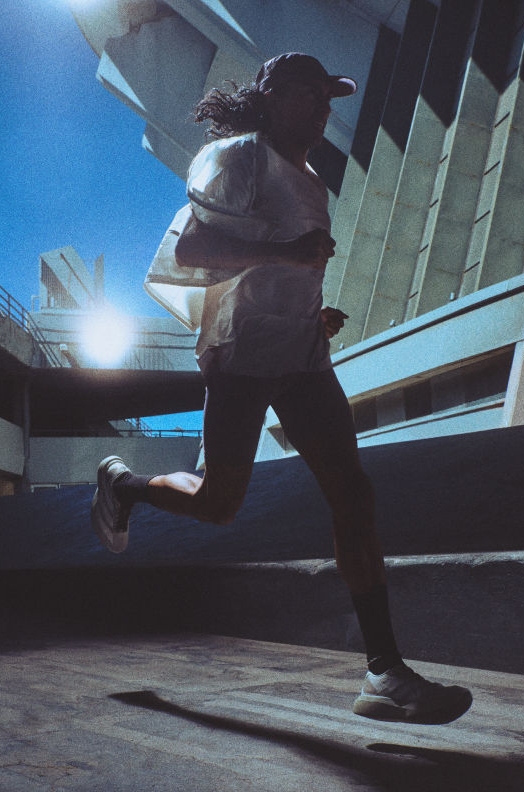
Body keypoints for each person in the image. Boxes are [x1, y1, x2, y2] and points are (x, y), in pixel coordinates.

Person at [91, 53, 472, 724]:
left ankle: (383, 671)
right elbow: (190, 252)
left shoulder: (312, 179)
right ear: (270, 97)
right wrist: (285, 255)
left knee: (354, 494)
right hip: (242, 354)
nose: (322, 108)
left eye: (327, 97)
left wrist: (313, 311)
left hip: (301, 355)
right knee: (218, 504)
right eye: (306, 94)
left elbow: (286, 272)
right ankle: (124, 486)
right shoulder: (239, 158)